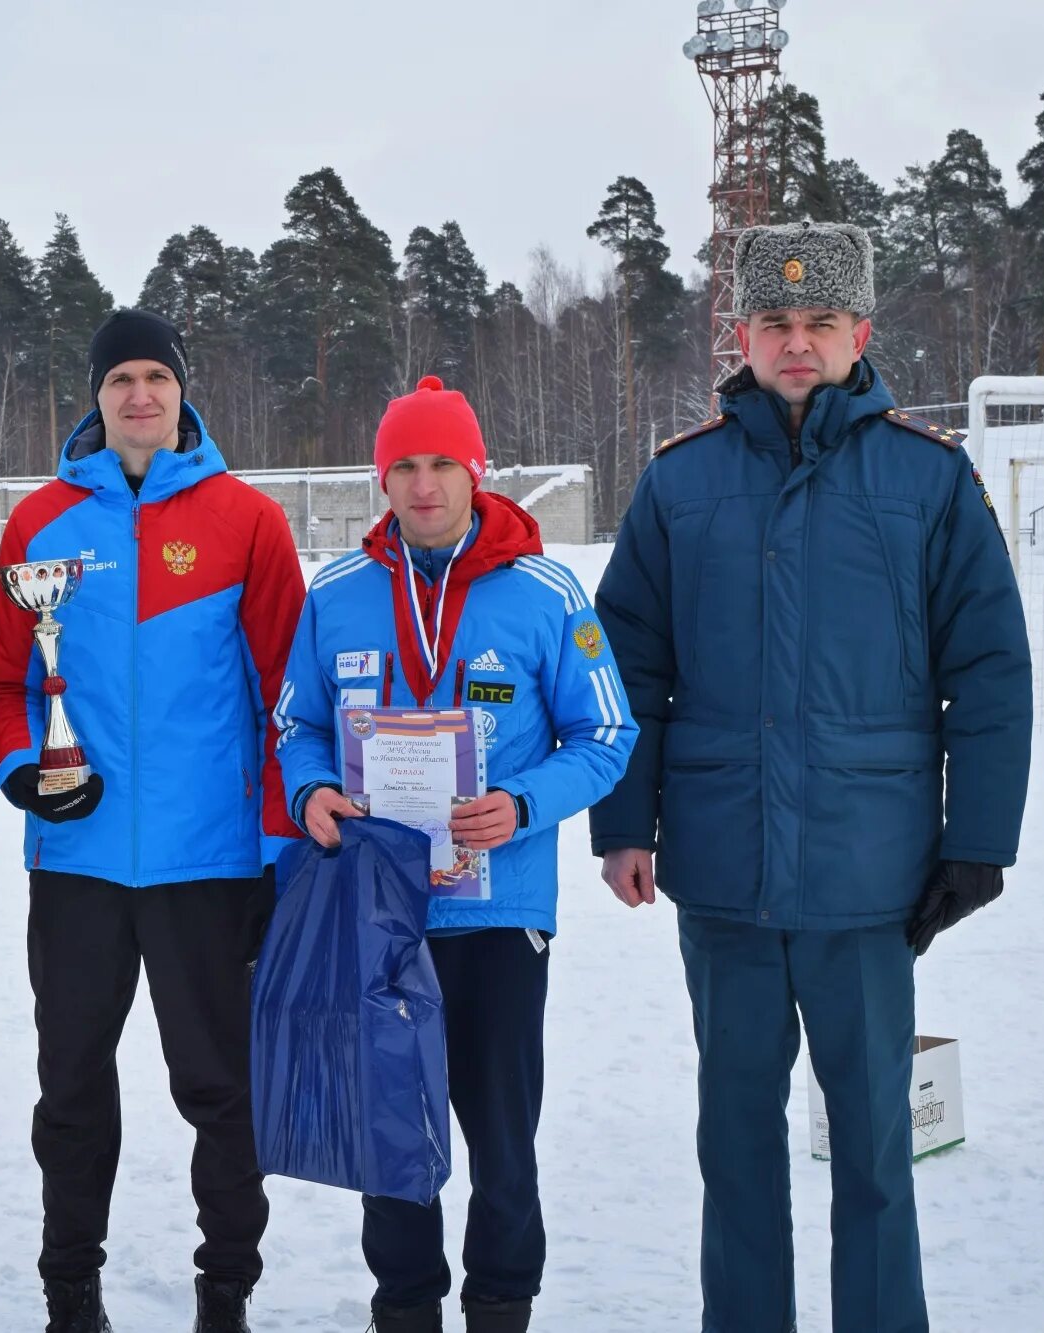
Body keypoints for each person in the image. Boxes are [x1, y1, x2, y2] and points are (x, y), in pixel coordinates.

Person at [588, 221, 1033, 1333]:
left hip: (865, 875)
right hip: (724, 874)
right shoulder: (678, 486)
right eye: (775, 323)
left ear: (858, 333)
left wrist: (976, 838)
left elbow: (986, 667)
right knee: (733, 1145)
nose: (796, 344)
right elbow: (625, 663)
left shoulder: (927, 481)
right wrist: (621, 820)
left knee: (874, 1148)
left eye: (818, 323)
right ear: (740, 335)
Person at [273, 375, 637, 1333]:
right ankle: (404, 1309)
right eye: (405, 465)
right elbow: (294, 724)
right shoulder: (338, 596)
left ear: (476, 472)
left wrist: (521, 803)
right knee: (391, 1128)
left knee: (502, 1138)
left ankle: (502, 1306)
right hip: (382, 916)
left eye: (443, 464)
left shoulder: (547, 591)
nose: (424, 484)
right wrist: (311, 789)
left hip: (499, 911)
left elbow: (606, 734)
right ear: (381, 477)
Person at [0, 308, 305, 1333]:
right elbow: (2, 682)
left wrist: (270, 847)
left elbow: (284, 697)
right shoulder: (38, 523)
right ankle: (68, 1290)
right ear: (95, 394)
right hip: (76, 863)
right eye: (118, 378)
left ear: (180, 392)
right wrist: (24, 768)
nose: (138, 396)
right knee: (70, 1091)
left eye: (154, 378)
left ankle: (225, 1289)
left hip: (204, 864)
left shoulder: (245, 519)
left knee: (216, 1088)